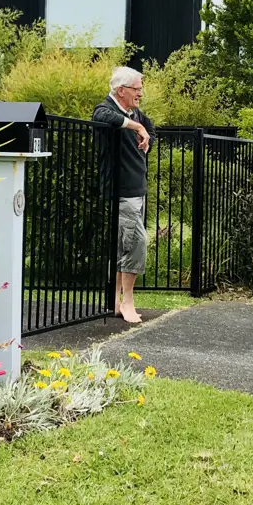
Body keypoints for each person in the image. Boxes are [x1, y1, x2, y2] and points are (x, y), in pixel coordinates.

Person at [92, 66, 155, 324]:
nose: (140, 93)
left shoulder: (136, 113)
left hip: (136, 190)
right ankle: (127, 301)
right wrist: (136, 126)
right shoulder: (106, 109)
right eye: (136, 89)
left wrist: (146, 134)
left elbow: (150, 128)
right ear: (121, 90)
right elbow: (103, 117)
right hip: (121, 191)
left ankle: (115, 301)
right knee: (136, 244)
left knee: (123, 246)